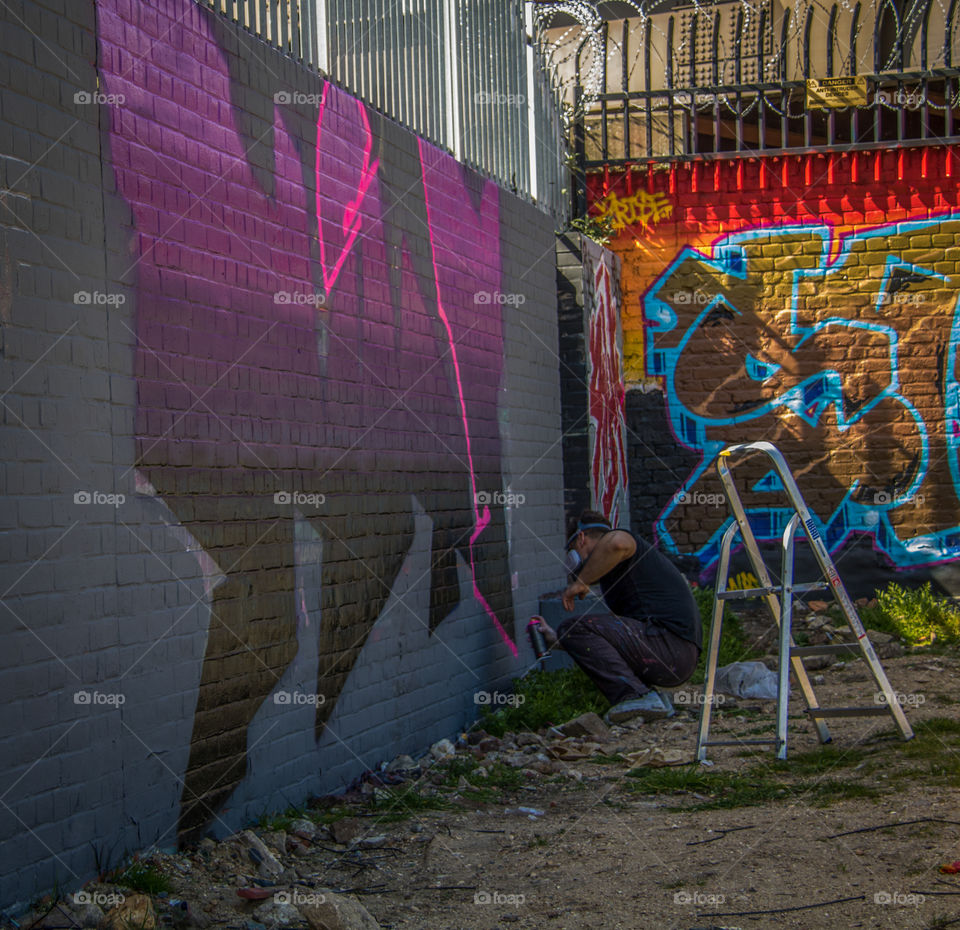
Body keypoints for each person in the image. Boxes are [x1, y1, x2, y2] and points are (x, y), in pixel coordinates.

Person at [534, 510, 703, 724]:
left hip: (669, 649)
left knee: (574, 626)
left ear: (581, 538)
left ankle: (636, 697)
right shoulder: (619, 575)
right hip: (675, 656)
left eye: (572, 550)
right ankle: (653, 700)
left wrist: (582, 581)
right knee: (573, 630)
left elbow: (617, 543)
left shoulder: (624, 543)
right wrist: (559, 640)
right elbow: (615, 642)